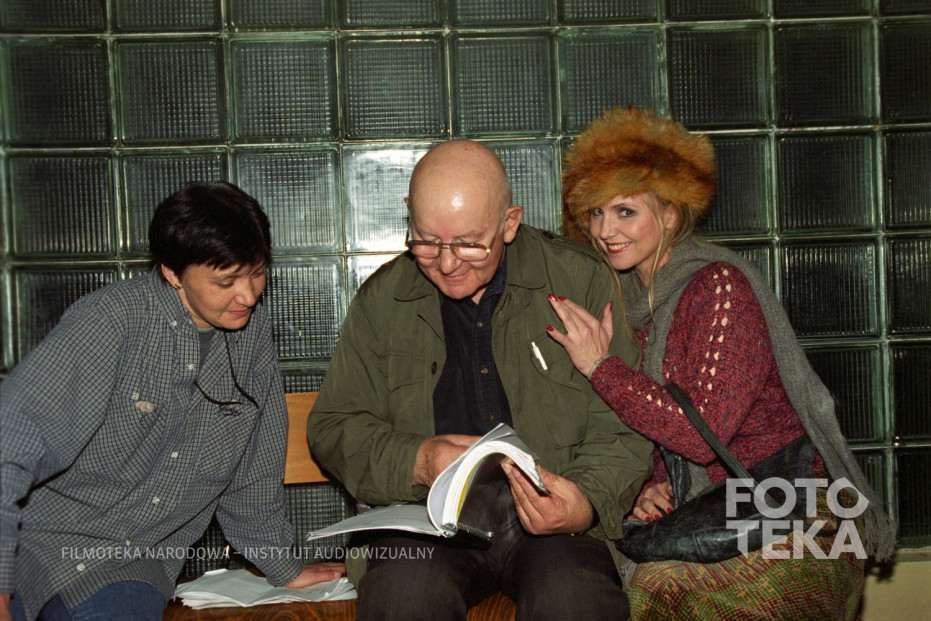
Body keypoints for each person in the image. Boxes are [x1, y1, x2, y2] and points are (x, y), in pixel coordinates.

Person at [548, 107, 896, 619]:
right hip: (712, 506)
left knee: (659, 586)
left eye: (624, 211)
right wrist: (645, 487)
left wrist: (600, 366)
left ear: (670, 213)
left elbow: (698, 431)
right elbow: (647, 432)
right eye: (595, 213)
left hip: (795, 506)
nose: (605, 230)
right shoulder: (625, 305)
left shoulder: (719, 288)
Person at [307, 140, 653, 620]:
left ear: (509, 223)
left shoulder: (578, 279)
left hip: (555, 523)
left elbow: (626, 423)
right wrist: (418, 461)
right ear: (408, 214)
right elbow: (334, 427)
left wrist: (585, 501)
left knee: (573, 602)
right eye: (427, 241)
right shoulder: (383, 300)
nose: (447, 263)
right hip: (424, 521)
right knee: (403, 601)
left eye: (470, 243)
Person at [0, 181, 344, 621]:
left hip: (132, 567)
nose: (248, 295)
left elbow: (254, 472)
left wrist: (282, 565)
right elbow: (11, 441)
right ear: (172, 273)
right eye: (226, 281)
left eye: (257, 272)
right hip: (38, 548)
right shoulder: (110, 322)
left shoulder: (252, 335)